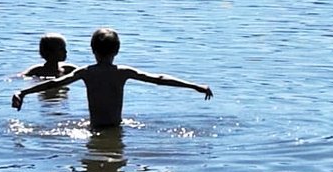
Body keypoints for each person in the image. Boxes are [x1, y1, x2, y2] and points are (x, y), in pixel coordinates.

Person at [12, 27, 212, 129]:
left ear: (92, 50)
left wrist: (23, 92)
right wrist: (195, 86)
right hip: (116, 127)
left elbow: (55, 83)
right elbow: (158, 79)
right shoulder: (122, 72)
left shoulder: (86, 72)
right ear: (117, 50)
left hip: (94, 128)